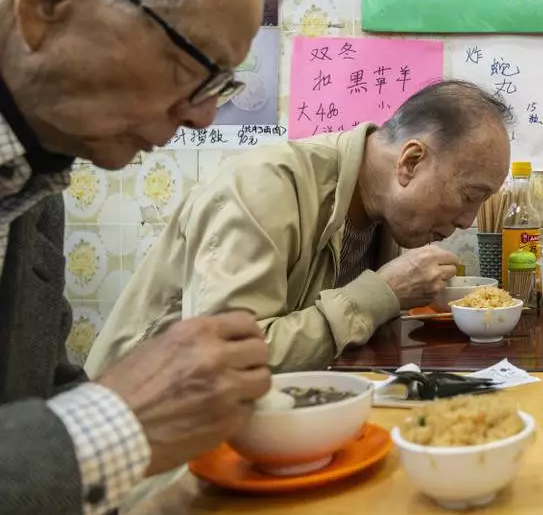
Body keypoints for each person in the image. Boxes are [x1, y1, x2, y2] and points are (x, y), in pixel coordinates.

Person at [0, 0, 280, 515]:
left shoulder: (34, 170)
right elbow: (77, 423)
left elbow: (35, 399)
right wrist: (118, 421)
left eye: (221, 85)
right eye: (197, 66)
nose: (202, 119)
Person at [87, 80, 513, 375]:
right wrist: (381, 294)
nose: (467, 221)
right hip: (142, 444)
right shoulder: (264, 186)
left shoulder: (381, 209)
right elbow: (225, 361)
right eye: (469, 195)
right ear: (411, 162)